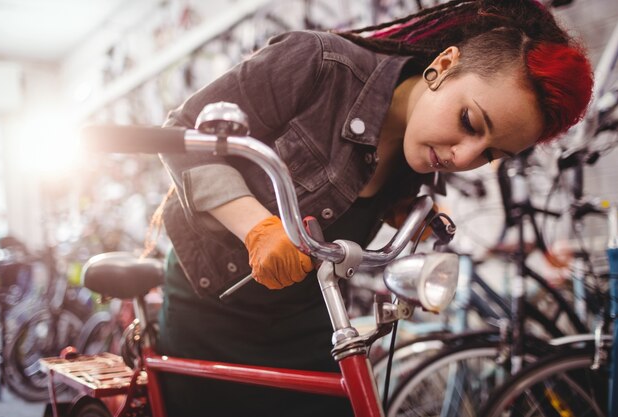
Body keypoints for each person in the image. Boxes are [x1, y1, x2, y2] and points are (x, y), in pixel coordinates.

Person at [154, 1, 593, 415]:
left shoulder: (417, 154)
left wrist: (397, 210)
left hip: (308, 320)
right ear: (441, 67)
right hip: (210, 310)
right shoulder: (319, 64)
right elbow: (181, 134)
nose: (464, 158)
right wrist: (256, 227)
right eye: (470, 123)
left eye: (490, 154)